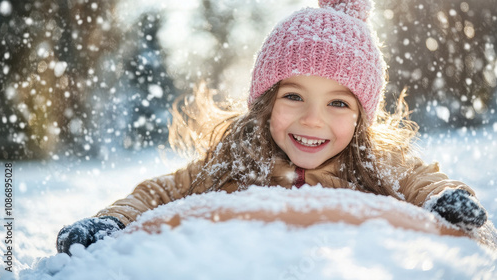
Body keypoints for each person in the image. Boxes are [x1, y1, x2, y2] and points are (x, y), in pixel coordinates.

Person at [56, 0, 488, 256]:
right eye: (293, 96)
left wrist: (445, 200)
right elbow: (162, 192)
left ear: (361, 119)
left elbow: (420, 180)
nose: (312, 120)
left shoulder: (374, 165)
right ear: (265, 104)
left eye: (338, 103)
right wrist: (112, 221)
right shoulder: (236, 162)